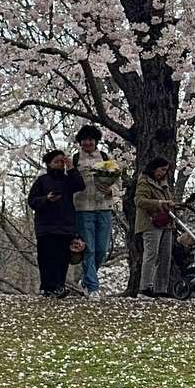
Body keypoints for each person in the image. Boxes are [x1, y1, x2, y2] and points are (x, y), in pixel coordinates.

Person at [27, 149, 86, 296]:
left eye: (62, 161)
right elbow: (32, 201)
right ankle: (48, 287)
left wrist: (71, 168)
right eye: (56, 162)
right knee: (46, 257)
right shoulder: (42, 181)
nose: (59, 165)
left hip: (65, 226)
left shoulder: (67, 180)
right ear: (48, 163)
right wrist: (46, 199)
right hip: (46, 227)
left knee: (63, 258)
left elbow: (80, 185)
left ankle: (59, 286)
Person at [71, 123, 119, 295]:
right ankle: (92, 287)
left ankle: (86, 279)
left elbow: (117, 183)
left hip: (104, 208)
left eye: (90, 139)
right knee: (88, 248)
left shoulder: (106, 158)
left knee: (101, 250)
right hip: (83, 209)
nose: (87, 143)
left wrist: (111, 191)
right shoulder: (75, 160)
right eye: (84, 140)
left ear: (96, 141)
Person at [134, 158, 178, 297]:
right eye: (161, 169)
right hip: (151, 223)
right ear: (154, 168)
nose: (163, 173)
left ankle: (161, 288)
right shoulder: (144, 181)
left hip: (166, 223)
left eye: (166, 170)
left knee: (165, 256)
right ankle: (145, 287)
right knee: (151, 255)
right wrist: (159, 203)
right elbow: (140, 201)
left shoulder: (164, 184)